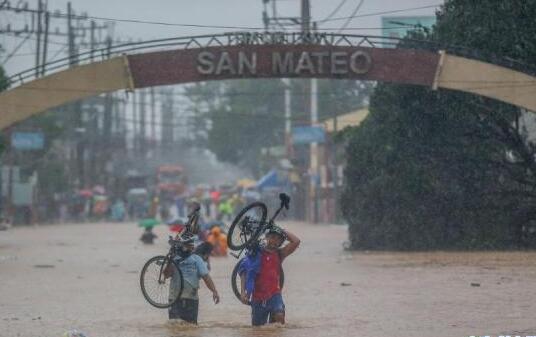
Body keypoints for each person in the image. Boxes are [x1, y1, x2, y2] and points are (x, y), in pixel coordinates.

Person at [239, 226, 300, 326]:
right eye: (272, 237)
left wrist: (282, 230)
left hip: (274, 295)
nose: (275, 241)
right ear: (266, 237)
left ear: (281, 242)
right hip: (258, 298)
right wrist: (242, 292)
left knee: (279, 317)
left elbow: (296, 241)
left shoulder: (280, 254)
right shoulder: (256, 253)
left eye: (278, 239)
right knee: (258, 330)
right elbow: (244, 272)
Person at [165, 233, 220, 324]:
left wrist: (214, 291)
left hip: (188, 299)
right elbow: (166, 275)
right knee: (182, 327)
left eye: (192, 245)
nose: (192, 247)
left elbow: (206, 277)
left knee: (183, 327)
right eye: (189, 245)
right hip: (176, 299)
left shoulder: (196, 259)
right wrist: (170, 261)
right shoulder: (174, 259)